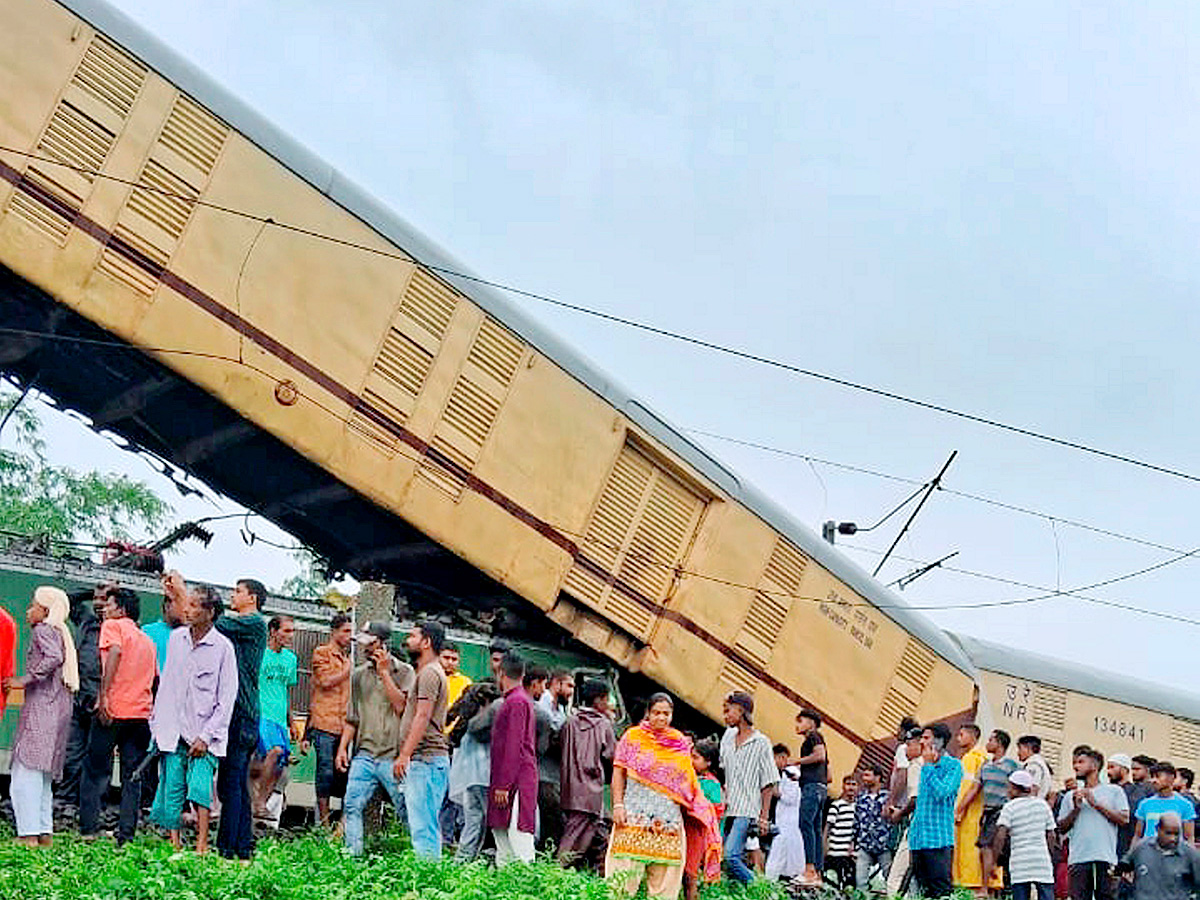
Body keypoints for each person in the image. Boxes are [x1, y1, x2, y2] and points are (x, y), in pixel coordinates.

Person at [148, 584, 237, 854]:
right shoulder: (176, 639)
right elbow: (167, 685)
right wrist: (157, 723)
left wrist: (206, 736)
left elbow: (226, 698)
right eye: (188, 604)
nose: (188, 609)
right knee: (172, 787)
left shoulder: (223, 647)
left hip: (204, 733)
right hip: (173, 729)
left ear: (210, 612)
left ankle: (201, 847)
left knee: (200, 790)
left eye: (195, 605)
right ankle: (174, 845)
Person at [606, 692, 722, 900]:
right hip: (633, 818)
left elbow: (687, 782)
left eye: (666, 714)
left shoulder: (678, 743)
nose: (661, 718)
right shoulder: (632, 737)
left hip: (668, 823)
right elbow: (618, 772)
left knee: (664, 884)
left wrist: (698, 807)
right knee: (621, 880)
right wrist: (617, 805)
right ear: (648, 713)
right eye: (657, 713)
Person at [79, 587, 156, 844]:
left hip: (114, 710)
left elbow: (114, 652)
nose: (104, 609)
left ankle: (90, 829)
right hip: (140, 714)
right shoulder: (147, 640)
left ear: (121, 610)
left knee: (95, 770)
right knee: (131, 776)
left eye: (109, 605)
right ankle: (126, 835)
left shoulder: (113, 627)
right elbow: (155, 677)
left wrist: (104, 695)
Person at [4, 587, 78, 847]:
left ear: (45, 611)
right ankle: (43, 833)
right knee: (43, 778)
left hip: (42, 708)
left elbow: (53, 658)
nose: (28, 611)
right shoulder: (61, 632)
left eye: (33, 605)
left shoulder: (43, 630)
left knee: (25, 774)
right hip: (58, 708)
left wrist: (24, 679)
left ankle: (27, 835)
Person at [338, 621, 414, 857]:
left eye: (369, 644)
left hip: (393, 756)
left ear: (382, 644)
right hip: (365, 754)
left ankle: (413, 858)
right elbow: (353, 716)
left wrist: (384, 673)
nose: (365, 649)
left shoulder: (405, 672)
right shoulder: (359, 675)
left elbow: (402, 706)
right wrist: (342, 748)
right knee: (351, 805)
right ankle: (353, 857)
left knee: (406, 811)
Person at [211, 576, 268, 860]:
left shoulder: (254, 623)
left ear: (252, 598)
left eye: (237, 591)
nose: (232, 596)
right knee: (236, 784)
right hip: (244, 714)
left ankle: (226, 847)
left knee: (230, 783)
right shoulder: (245, 627)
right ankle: (241, 845)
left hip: (241, 714)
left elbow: (218, 622)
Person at [392, 620, 451, 859]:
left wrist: (405, 754)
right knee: (424, 825)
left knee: (423, 827)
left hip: (426, 759)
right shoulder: (429, 672)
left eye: (413, 636)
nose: (408, 640)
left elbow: (423, 715)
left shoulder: (429, 673)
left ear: (426, 642)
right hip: (427, 760)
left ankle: (427, 883)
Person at [719, 691, 779, 884]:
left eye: (728, 711)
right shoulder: (727, 737)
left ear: (741, 710)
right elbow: (724, 771)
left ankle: (761, 890)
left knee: (731, 856)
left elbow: (768, 782)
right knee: (719, 857)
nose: (725, 715)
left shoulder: (762, 742)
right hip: (727, 808)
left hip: (747, 809)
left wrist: (763, 817)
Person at [559, 678, 617, 868]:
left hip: (569, 789)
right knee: (572, 841)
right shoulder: (603, 725)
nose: (608, 704)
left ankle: (599, 873)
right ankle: (553, 877)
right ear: (598, 700)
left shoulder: (570, 721)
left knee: (598, 834)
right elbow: (611, 758)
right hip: (590, 792)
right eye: (606, 699)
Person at [1058, 747, 1129, 900]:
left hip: (1104, 857)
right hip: (1078, 858)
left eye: (1081, 762)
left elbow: (1124, 819)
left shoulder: (1114, 791)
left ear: (1095, 766)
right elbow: (1061, 828)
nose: (1076, 766)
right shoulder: (1070, 795)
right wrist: (1076, 809)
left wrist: (1095, 803)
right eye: (1074, 763)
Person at [488, 652, 538, 865]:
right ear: (523, 674)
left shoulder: (515, 702)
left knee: (519, 839)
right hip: (514, 780)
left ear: (501, 673)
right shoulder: (520, 700)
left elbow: (513, 746)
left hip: (515, 782)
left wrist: (503, 785)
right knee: (504, 839)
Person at [57, 587, 104, 809]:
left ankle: (91, 804)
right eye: (97, 599)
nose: (99, 603)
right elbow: (65, 600)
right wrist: (90, 591)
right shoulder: (87, 620)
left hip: (101, 700)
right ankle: (66, 799)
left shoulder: (123, 627)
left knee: (96, 757)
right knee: (72, 751)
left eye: (105, 600)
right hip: (78, 696)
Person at [905, 723, 964, 899]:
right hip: (918, 839)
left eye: (926, 737)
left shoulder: (953, 766)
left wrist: (929, 766)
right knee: (923, 891)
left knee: (941, 890)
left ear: (939, 742)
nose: (922, 742)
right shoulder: (922, 766)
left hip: (938, 839)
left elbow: (942, 793)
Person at [306, 612, 353, 825]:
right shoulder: (322, 653)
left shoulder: (346, 658)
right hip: (324, 722)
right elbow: (325, 681)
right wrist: (347, 670)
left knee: (343, 774)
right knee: (324, 771)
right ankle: (323, 822)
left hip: (344, 724)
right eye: (346, 631)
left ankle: (341, 825)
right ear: (334, 631)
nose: (349, 636)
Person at [251, 615, 298, 817]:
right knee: (274, 751)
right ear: (273, 631)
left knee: (280, 764)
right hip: (262, 712)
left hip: (279, 716)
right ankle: (259, 802)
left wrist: (292, 722)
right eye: (286, 631)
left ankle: (262, 802)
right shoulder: (259, 654)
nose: (291, 635)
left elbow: (286, 691)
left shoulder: (291, 659)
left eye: (292, 631)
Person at [451, 680, 502, 862]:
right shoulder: (482, 723)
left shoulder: (467, 723)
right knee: (496, 824)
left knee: (473, 822)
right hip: (486, 779)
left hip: (470, 781)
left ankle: (462, 861)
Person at [995, 769, 1057, 900]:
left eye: (1009, 787)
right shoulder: (1043, 805)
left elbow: (1000, 835)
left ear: (1015, 788)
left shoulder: (1009, 807)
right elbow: (1051, 836)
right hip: (1041, 861)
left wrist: (995, 860)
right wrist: (1050, 857)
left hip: (1019, 863)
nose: (1008, 791)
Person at [1116, 811, 1200, 900]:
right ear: (1158, 829)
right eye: (1168, 833)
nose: (1172, 838)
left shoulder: (1190, 854)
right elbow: (1121, 870)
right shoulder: (1141, 848)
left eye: (1176, 834)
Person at [886, 725, 925, 897]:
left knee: (895, 879)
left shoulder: (916, 766)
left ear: (919, 746)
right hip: (933, 832)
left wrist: (899, 813)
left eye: (909, 745)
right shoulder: (935, 765)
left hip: (916, 827)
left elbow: (915, 799)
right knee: (918, 879)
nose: (906, 749)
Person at [979, 729, 1019, 891]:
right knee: (987, 848)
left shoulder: (1011, 765)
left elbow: (1020, 788)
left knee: (987, 847)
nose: (988, 743)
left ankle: (984, 887)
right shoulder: (985, 765)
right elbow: (977, 787)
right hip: (987, 811)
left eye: (991, 740)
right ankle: (992, 881)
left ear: (1000, 744)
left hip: (1001, 810)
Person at [687, 737, 726, 900]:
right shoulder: (690, 778)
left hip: (702, 836)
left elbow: (715, 813)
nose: (691, 760)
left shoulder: (712, 785)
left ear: (708, 762)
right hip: (688, 832)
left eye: (696, 757)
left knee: (691, 876)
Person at [793, 707, 829, 883]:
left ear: (811, 723)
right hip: (820, 788)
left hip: (812, 789)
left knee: (805, 824)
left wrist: (797, 762)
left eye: (800, 721)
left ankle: (809, 870)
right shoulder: (819, 739)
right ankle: (817, 873)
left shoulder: (814, 736)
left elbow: (820, 756)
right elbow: (828, 775)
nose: (797, 725)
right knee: (815, 829)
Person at [953, 723, 988, 891]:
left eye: (961, 734)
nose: (958, 738)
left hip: (969, 815)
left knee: (967, 851)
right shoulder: (983, 757)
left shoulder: (971, 758)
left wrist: (958, 810)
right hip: (977, 813)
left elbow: (967, 788)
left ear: (972, 737)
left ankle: (969, 885)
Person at [1133, 761, 1196, 843]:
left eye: (1158, 776)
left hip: (1173, 851)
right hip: (1149, 851)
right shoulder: (1145, 804)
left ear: (1172, 778)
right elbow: (1137, 835)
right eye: (1152, 777)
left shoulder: (1185, 805)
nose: (1154, 780)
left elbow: (1189, 837)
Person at [855, 764, 892, 893]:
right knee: (860, 881)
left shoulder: (888, 797)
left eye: (867, 775)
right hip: (864, 844)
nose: (864, 778)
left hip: (883, 845)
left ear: (878, 777)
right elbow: (856, 821)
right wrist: (853, 842)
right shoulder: (861, 797)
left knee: (891, 879)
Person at [765, 764, 806, 881]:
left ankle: (771, 878)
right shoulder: (791, 782)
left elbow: (785, 796)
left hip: (788, 825)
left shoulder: (793, 785)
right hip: (783, 822)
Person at [142, 586, 187, 674]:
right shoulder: (146, 632)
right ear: (167, 606)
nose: (184, 609)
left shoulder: (191, 636)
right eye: (178, 603)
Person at [824, 774, 858, 888]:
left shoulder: (859, 807)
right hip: (835, 853)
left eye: (854, 784)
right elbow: (828, 827)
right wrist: (824, 845)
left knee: (849, 886)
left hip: (850, 855)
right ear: (843, 786)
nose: (851, 787)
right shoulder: (836, 805)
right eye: (848, 784)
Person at [1105, 753, 1139, 859]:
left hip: (1123, 846)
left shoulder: (1135, 791)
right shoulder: (1106, 790)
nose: (1108, 772)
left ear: (1124, 769)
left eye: (1112, 767)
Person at [1017, 735, 1052, 800]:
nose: (1018, 753)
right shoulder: (1040, 763)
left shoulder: (1034, 765)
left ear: (1028, 748)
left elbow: (1033, 788)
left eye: (1020, 748)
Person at [441, 643, 472, 711]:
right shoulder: (431, 677)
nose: (450, 662)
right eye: (446, 658)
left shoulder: (465, 682)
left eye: (454, 659)